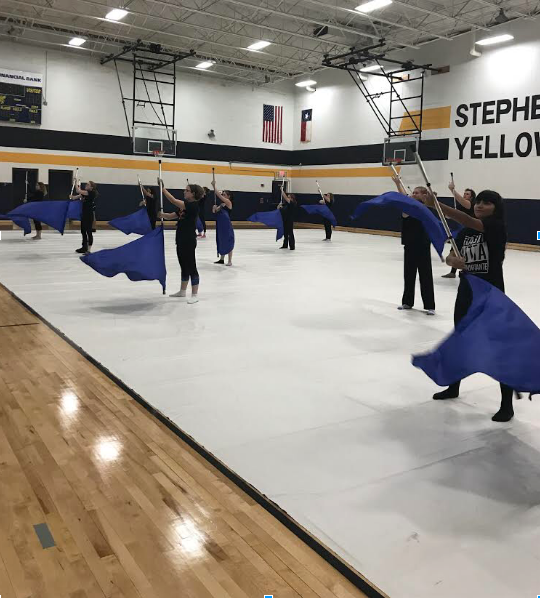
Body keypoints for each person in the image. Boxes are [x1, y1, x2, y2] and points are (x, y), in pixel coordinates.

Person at [423, 189, 515, 422]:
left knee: (498, 349)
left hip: (490, 296)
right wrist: (456, 261)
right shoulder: (465, 233)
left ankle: (507, 405)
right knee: (460, 342)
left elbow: (465, 218)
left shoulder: (496, 227)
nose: (479, 205)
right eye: (478, 202)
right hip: (466, 294)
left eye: (486, 203)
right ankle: (454, 387)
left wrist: (437, 205)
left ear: (496, 207)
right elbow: (451, 257)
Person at [391, 175, 435, 315]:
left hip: (423, 245)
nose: (413, 194)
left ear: (423, 195)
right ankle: (407, 302)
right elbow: (403, 198)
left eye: (416, 193)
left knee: (425, 275)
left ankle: (430, 305)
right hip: (410, 245)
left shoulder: (426, 208)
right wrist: (398, 183)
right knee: (409, 275)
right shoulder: (408, 208)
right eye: (413, 192)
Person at [158, 181, 203, 303]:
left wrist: (163, 189)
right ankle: (182, 291)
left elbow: (172, 200)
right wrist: (161, 215)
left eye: (187, 190)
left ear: (193, 194)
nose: (184, 191)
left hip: (188, 239)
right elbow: (171, 216)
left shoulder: (193, 206)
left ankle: (194, 295)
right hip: (180, 238)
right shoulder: (184, 207)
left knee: (191, 266)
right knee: (183, 265)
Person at [442, 182, 476, 278]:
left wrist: (452, 190)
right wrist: (449, 215)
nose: (465, 195)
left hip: (469, 232)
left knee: (466, 253)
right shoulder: (461, 206)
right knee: (456, 251)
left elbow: (464, 203)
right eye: (464, 193)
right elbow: (455, 215)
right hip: (460, 232)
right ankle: (453, 272)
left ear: (472, 197)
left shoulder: (471, 204)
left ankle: (467, 272)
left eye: (467, 194)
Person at [70, 181, 97, 255]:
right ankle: (84, 247)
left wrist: (75, 183)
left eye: (88, 184)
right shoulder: (84, 193)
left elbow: (78, 191)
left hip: (89, 215)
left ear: (91, 187)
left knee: (88, 231)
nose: (86, 185)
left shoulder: (91, 193)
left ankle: (88, 250)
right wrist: (71, 197)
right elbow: (76, 197)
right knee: (83, 231)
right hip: (84, 214)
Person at [211, 183, 235, 266]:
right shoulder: (221, 205)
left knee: (228, 241)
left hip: (226, 225)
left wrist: (214, 187)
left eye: (224, 194)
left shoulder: (229, 203)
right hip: (220, 225)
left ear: (228, 196)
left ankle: (229, 261)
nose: (222, 195)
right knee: (221, 240)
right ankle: (221, 259)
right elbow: (215, 212)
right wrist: (214, 208)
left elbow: (219, 196)